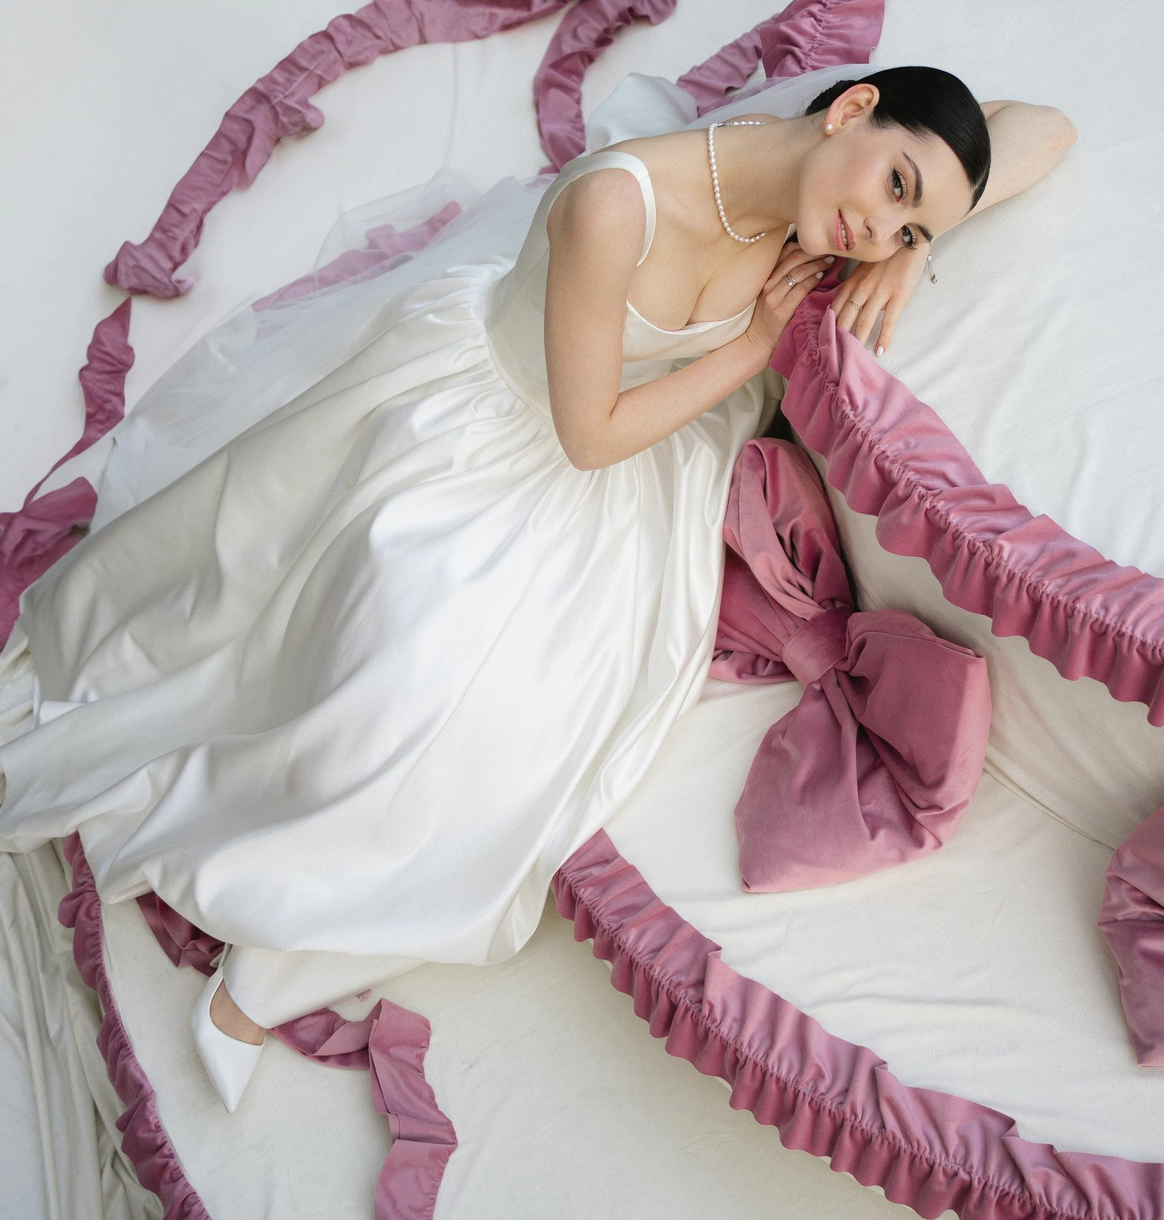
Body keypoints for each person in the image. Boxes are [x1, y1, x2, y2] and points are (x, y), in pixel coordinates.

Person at [0, 66, 1076, 1110]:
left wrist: (923, 246)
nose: (875, 231)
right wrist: (753, 345)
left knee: (530, 742)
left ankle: (279, 964)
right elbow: (588, 434)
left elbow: (1045, 127)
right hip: (496, 432)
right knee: (380, 684)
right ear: (852, 109)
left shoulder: (829, 203)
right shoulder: (619, 202)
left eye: (905, 226)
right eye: (894, 190)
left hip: (638, 477)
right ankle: (266, 878)